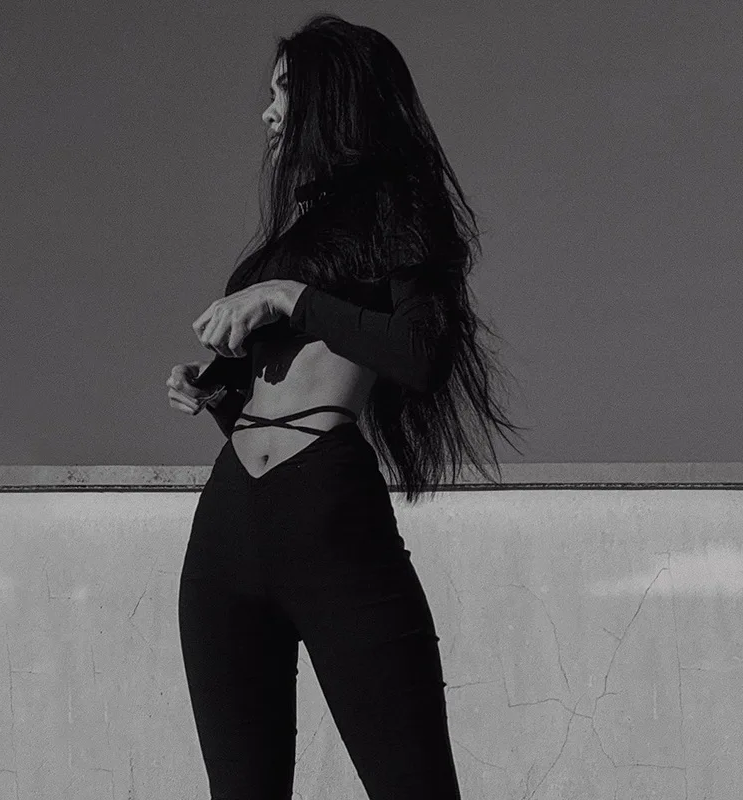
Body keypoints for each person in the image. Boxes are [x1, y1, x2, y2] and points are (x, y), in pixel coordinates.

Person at [167, 13, 527, 800]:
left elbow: (421, 355)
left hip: (327, 514)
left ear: (331, 98)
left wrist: (288, 296)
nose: (267, 114)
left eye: (283, 93)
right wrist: (213, 390)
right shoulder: (288, 240)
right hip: (227, 528)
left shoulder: (402, 211)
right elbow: (263, 400)